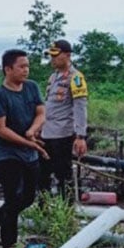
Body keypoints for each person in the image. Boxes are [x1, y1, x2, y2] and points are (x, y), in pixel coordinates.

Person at [0, 50, 49, 248]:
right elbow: (0, 130)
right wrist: (30, 143)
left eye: (27, 66)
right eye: (21, 66)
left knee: (28, 197)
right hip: (6, 154)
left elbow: (41, 113)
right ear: (7, 69)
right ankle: (9, 245)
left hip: (29, 153)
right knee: (13, 198)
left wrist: (32, 130)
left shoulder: (32, 87)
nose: (26, 70)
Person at [39, 39, 89, 198]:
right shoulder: (53, 77)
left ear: (67, 55)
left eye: (56, 55)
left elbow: (80, 107)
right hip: (46, 134)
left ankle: (66, 212)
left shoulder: (76, 78)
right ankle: (44, 209)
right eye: (51, 56)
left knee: (64, 177)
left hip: (62, 135)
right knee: (42, 175)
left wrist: (80, 136)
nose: (52, 59)